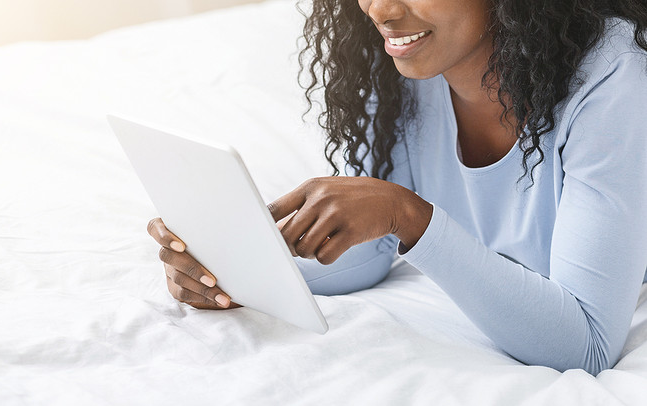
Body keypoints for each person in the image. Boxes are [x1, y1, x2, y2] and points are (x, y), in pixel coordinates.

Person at [147, 0, 647, 375]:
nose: (382, 10)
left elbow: (587, 345)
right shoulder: (407, 72)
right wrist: (229, 269)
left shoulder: (614, 79)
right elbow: (365, 256)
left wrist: (409, 217)